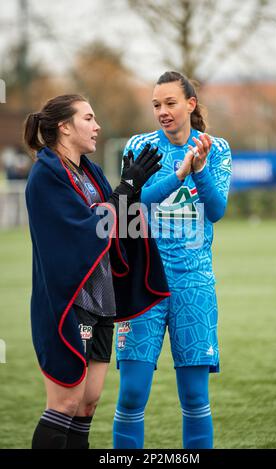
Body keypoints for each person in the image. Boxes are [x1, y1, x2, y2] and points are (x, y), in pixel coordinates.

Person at [24, 94, 170, 449]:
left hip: (102, 301)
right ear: (64, 127)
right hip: (70, 302)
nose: (97, 126)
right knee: (66, 403)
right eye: (88, 118)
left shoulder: (89, 171)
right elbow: (87, 230)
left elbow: (117, 225)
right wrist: (124, 190)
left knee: (87, 405)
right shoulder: (46, 175)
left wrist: (131, 194)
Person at [113, 71, 232, 449]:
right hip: (142, 281)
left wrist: (199, 171)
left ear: (190, 104)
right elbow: (131, 201)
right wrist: (180, 175)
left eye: (170, 103)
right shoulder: (139, 145)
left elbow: (215, 210)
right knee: (131, 394)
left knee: (196, 398)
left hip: (193, 283)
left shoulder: (217, 148)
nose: (162, 112)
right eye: (156, 105)